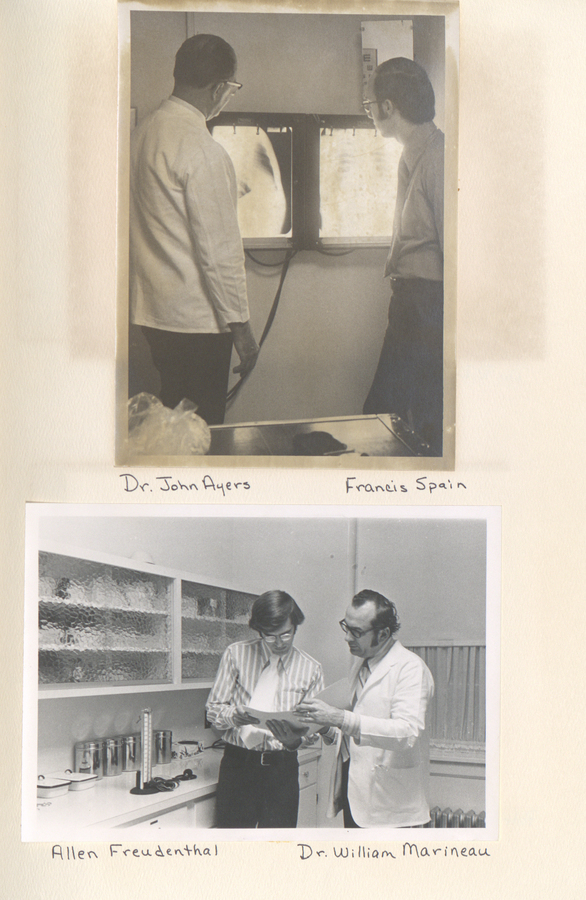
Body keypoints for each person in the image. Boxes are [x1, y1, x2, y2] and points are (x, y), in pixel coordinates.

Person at [129, 34, 259, 426]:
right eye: (230, 89)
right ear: (220, 87)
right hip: (198, 325)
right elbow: (219, 252)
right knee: (201, 435)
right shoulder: (202, 149)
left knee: (171, 429)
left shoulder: (143, 133)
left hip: (154, 316)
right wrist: (244, 333)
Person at [296, 589, 434, 828]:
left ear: (383, 633)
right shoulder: (362, 664)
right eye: (345, 627)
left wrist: (339, 717)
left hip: (390, 806)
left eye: (356, 632)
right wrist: (324, 726)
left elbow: (407, 732)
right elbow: (355, 727)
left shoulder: (410, 668)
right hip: (356, 795)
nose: (347, 638)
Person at [362, 58, 444, 455]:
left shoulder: (440, 158)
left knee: (406, 416)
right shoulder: (413, 154)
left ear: (388, 107)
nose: (370, 114)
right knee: (384, 414)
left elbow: (458, 258)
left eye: (369, 106)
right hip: (411, 303)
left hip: (430, 306)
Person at [205, 590, 324, 828]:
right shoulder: (236, 654)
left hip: (282, 769)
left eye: (286, 634)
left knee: (277, 853)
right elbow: (212, 711)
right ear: (259, 631)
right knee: (233, 851)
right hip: (238, 766)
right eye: (270, 637)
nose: (279, 643)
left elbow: (316, 729)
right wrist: (233, 716)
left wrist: (295, 741)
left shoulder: (311, 669)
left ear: (295, 627)